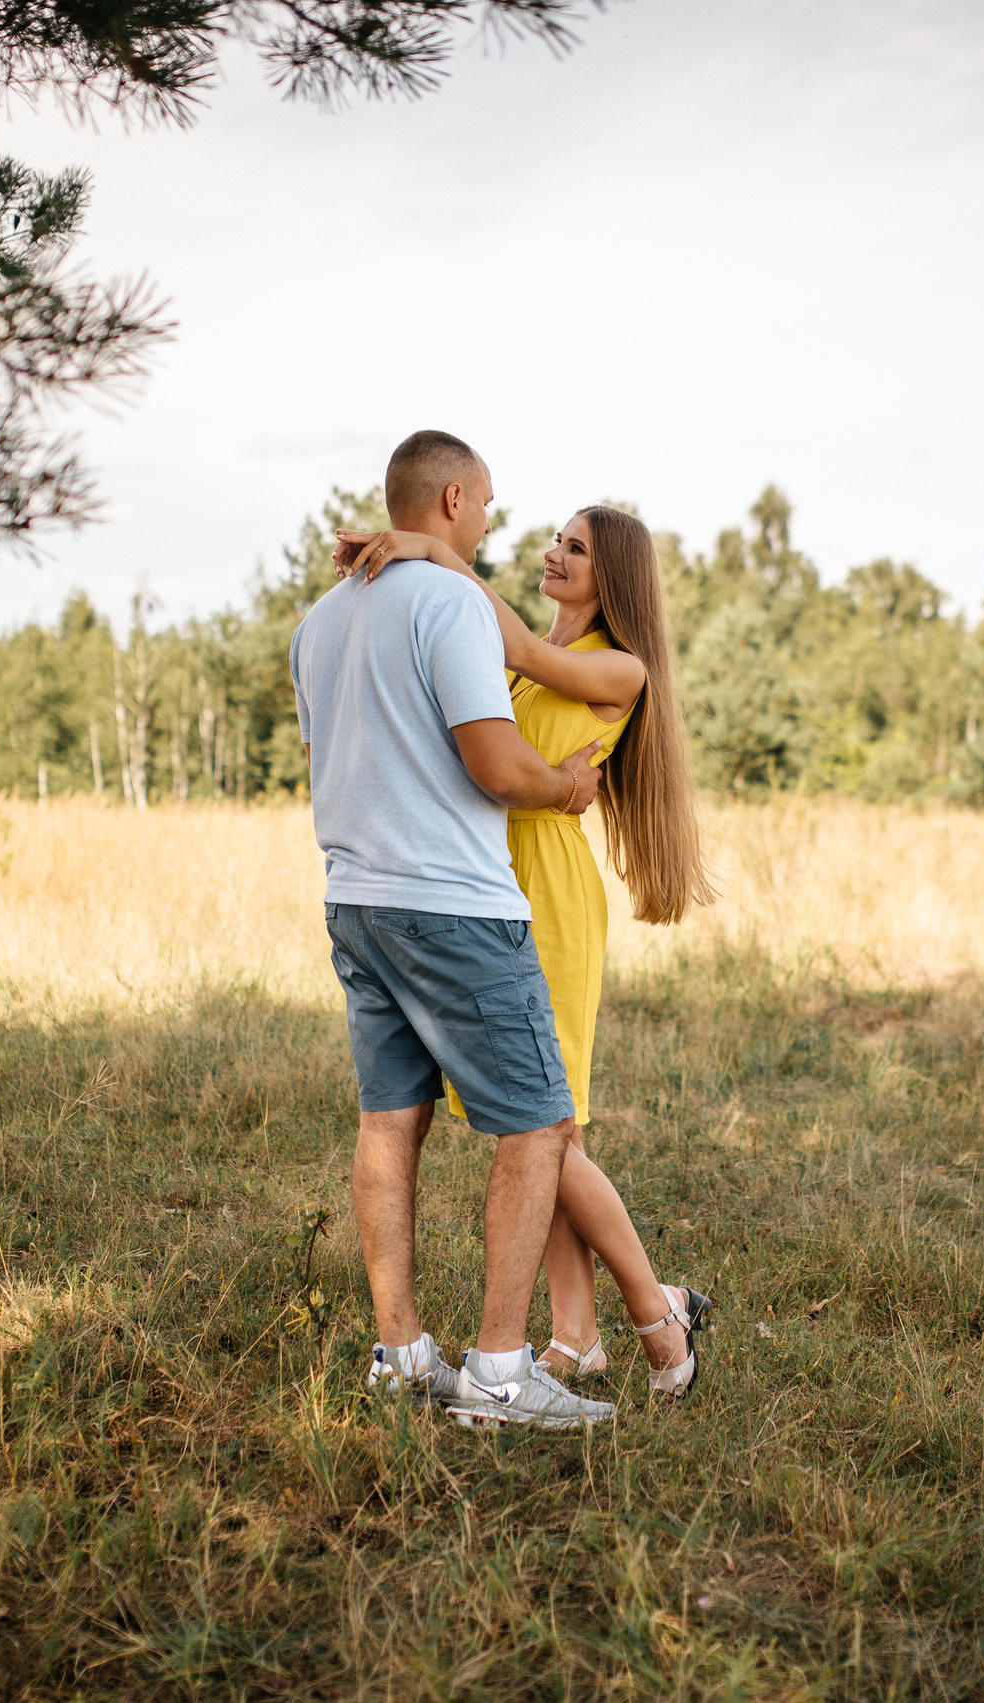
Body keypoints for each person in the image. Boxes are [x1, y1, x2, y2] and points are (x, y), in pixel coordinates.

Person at [332, 502, 719, 1398]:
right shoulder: (524, 663)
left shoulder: (617, 666)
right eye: (556, 539)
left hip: (550, 889)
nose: (553, 553)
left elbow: (509, 641)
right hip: (489, 879)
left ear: (612, 576)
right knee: (538, 1127)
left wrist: (429, 548)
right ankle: (576, 1334)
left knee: (546, 1125)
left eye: (575, 547)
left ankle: (656, 1309)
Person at [291, 429, 617, 1431]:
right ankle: (501, 1374)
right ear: (451, 500)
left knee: (389, 1119)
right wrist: (563, 786)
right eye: (485, 501)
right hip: (454, 901)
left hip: (356, 897)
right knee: (539, 1126)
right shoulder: (451, 603)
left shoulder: (317, 622)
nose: (491, 518)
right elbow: (495, 761)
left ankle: (402, 1355)